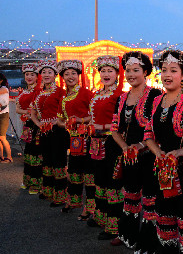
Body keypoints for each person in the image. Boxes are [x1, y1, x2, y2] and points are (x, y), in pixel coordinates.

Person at [144, 50, 183, 253]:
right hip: (164, 171)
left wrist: (179, 153)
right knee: (165, 220)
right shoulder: (156, 101)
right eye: (163, 70)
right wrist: (158, 153)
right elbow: (148, 134)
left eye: (173, 70)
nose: (167, 75)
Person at [111, 51, 162, 249]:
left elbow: (160, 128)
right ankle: (126, 234)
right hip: (129, 155)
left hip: (150, 154)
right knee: (130, 196)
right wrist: (125, 147)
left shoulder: (156, 96)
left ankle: (147, 239)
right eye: (128, 70)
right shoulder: (122, 98)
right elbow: (114, 129)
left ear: (146, 72)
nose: (131, 74)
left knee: (150, 199)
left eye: (136, 70)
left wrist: (142, 145)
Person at [84, 55, 124, 240]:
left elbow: (122, 124)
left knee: (111, 183)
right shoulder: (97, 94)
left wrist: (100, 127)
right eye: (103, 71)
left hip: (111, 143)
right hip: (95, 143)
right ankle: (100, 216)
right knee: (99, 181)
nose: (106, 74)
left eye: (110, 71)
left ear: (117, 73)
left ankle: (114, 225)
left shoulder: (120, 96)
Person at [55, 59, 93, 211]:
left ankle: (90, 207)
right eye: (66, 74)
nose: (70, 76)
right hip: (73, 138)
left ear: (78, 76)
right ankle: (74, 200)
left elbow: (94, 115)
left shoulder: (87, 93)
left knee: (89, 172)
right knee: (74, 170)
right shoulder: (63, 97)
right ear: (62, 77)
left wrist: (80, 120)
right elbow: (59, 120)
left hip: (88, 138)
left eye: (73, 73)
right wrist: (67, 125)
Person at [30, 60, 66, 201]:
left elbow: (65, 111)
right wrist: (39, 124)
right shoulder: (38, 93)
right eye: (43, 72)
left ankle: (61, 195)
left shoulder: (61, 92)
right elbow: (32, 112)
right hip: (43, 131)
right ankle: (48, 190)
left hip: (57, 131)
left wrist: (56, 122)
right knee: (46, 161)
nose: (46, 74)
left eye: (49, 72)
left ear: (55, 75)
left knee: (58, 162)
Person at [16, 63, 41, 194]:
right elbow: (17, 109)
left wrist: (30, 113)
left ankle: (37, 183)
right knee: (28, 153)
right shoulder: (24, 92)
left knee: (37, 153)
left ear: (37, 77)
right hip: (27, 125)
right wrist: (28, 112)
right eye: (27, 74)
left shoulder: (40, 91)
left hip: (38, 125)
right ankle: (27, 180)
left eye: (32, 74)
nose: (29, 77)